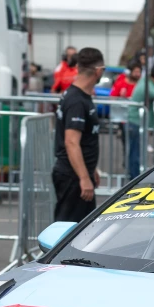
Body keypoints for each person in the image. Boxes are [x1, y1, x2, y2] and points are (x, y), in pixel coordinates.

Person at [52, 47, 105, 223]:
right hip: (72, 177)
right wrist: (83, 177)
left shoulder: (78, 95)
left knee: (81, 230)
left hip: (78, 173)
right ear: (98, 71)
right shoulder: (77, 101)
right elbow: (71, 142)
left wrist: (91, 169)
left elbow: (83, 140)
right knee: (67, 232)